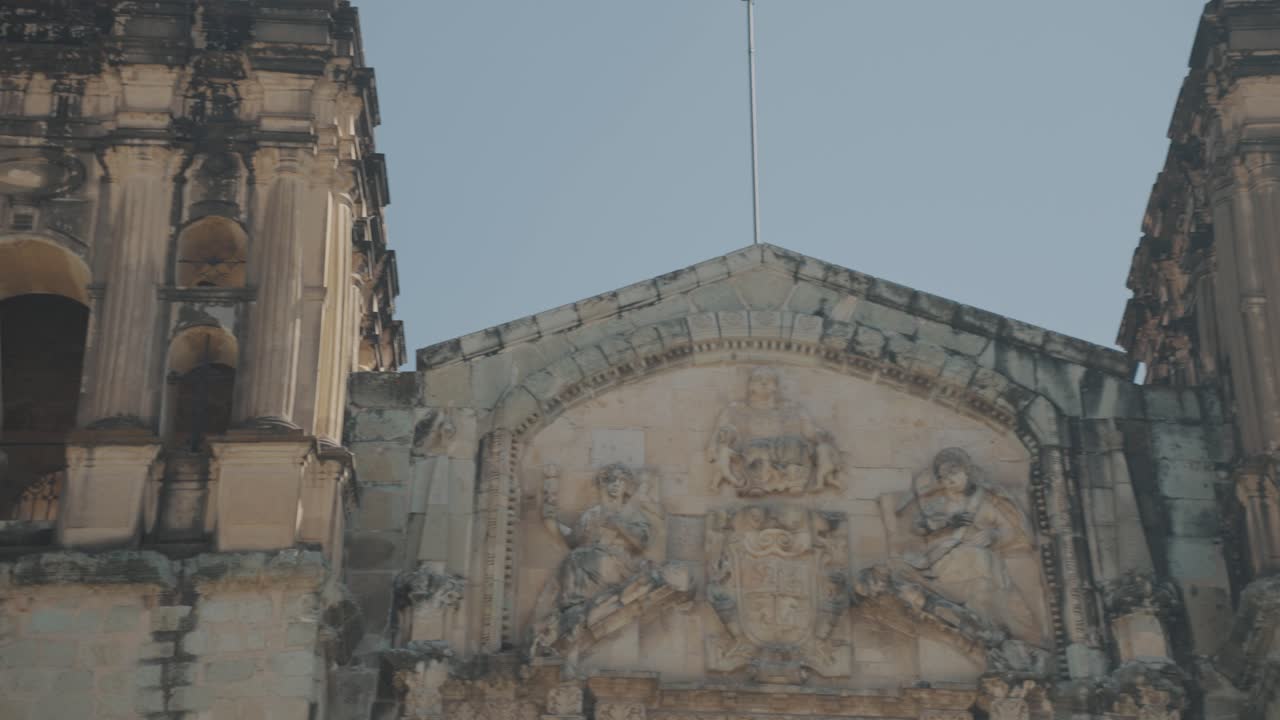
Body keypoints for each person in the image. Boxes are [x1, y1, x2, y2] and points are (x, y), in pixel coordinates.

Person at [899, 447, 1037, 639]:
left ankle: (994, 624)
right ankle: (984, 624)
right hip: (944, 559)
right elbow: (917, 527)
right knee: (981, 563)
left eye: (954, 472)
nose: (950, 480)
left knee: (987, 566)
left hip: (980, 559)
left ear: (967, 471)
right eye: (944, 477)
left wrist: (993, 535)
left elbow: (1009, 530)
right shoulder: (938, 503)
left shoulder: (985, 501)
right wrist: (946, 524)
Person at [708, 367, 840, 495]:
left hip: (783, 450)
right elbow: (719, 434)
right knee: (756, 449)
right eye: (758, 379)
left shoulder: (792, 408)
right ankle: (757, 484)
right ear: (750, 386)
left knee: (795, 444)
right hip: (754, 452)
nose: (764, 383)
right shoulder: (735, 410)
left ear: (775, 386)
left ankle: (795, 482)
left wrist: (822, 438)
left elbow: (810, 432)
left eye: (769, 380)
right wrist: (714, 448)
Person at [542, 463, 653, 608]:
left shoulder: (631, 513)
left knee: (581, 558)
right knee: (573, 559)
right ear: (604, 484)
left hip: (619, 563)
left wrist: (618, 524)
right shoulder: (593, 513)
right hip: (590, 558)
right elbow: (574, 540)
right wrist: (552, 523)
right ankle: (573, 606)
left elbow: (641, 541)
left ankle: (578, 604)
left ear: (627, 487)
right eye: (611, 480)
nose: (616, 484)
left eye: (621, 481)